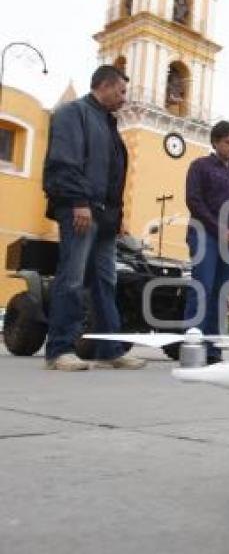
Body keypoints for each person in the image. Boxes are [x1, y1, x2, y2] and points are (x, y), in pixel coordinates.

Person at [41, 65, 145, 372]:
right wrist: (78, 201)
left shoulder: (109, 124)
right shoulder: (73, 113)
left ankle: (110, 349)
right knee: (71, 279)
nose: (125, 98)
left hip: (105, 218)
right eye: (122, 91)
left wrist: (118, 218)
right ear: (105, 86)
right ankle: (59, 349)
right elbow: (64, 162)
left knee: (106, 283)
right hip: (81, 210)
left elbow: (114, 178)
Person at [184, 120, 229, 364]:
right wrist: (218, 228)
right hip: (205, 234)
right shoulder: (199, 167)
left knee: (220, 293)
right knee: (203, 287)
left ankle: (213, 350)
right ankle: (193, 347)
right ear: (215, 142)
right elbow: (194, 201)